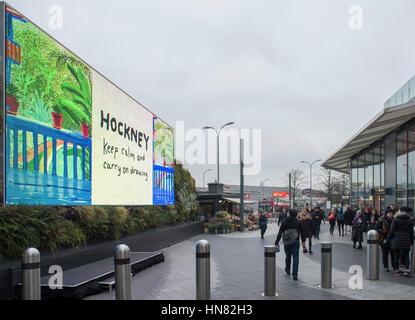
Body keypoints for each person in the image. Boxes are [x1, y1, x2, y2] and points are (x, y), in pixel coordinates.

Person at [275, 209, 304, 281]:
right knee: (296, 257)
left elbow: (280, 232)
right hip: (296, 241)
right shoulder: (298, 222)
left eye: (288, 213)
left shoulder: (284, 222)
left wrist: (276, 242)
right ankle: (295, 274)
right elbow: (302, 233)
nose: (287, 214)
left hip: (287, 242)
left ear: (290, 214)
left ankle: (287, 269)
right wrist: (303, 242)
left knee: (288, 256)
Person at [388, 207, 414, 277]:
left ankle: (397, 270)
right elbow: (411, 232)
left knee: (396, 255)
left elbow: (392, 231)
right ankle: (407, 270)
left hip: (397, 239)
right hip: (406, 239)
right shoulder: (410, 220)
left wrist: (389, 238)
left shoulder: (395, 219)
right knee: (406, 255)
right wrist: (411, 241)